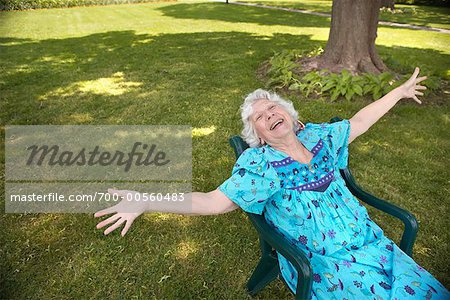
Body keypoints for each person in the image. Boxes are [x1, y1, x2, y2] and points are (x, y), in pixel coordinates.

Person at [94, 67, 449, 299]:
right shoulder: (262, 166)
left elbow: (360, 121)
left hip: (368, 240)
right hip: (322, 261)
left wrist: (399, 93)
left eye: (273, 109)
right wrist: (145, 199)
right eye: (260, 119)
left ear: (292, 117)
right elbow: (213, 202)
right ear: (259, 136)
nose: (269, 116)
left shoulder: (321, 137)